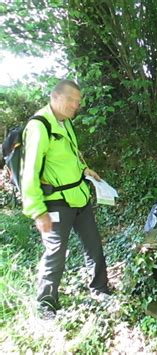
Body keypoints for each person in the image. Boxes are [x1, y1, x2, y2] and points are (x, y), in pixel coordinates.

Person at [21, 79, 110, 319]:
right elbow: (29, 172)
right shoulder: (40, 126)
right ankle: (46, 303)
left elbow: (71, 156)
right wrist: (37, 210)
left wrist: (85, 170)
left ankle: (100, 289)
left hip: (79, 197)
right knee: (55, 252)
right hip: (55, 202)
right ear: (55, 97)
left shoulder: (66, 123)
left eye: (78, 102)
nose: (75, 106)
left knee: (93, 245)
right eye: (71, 100)